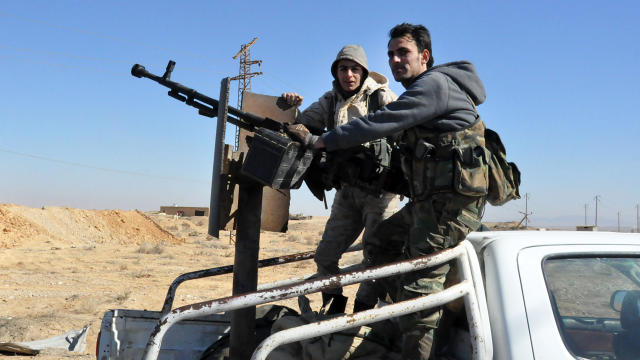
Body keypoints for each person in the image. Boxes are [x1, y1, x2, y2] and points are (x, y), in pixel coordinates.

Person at [289, 23, 489, 359]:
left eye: (404, 53)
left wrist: (324, 141)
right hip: (427, 202)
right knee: (380, 245)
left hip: (448, 207)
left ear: (424, 56)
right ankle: (371, 317)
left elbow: (379, 122)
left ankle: (414, 334)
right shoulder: (413, 89)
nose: (396, 60)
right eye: (392, 54)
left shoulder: (433, 86)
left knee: (417, 293)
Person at [281, 44, 399, 314]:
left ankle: (362, 314)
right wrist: (289, 107)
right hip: (347, 192)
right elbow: (301, 126)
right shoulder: (330, 100)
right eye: (343, 69)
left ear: (364, 72)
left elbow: (405, 130)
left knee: (375, 260)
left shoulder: (381, 97)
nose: (349, 74)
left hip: (381, 194)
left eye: (354, 69)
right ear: (336, 72)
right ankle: (333, 312)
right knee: (325, 255)